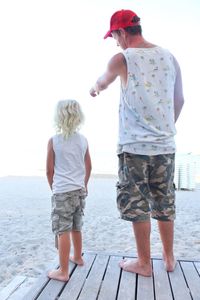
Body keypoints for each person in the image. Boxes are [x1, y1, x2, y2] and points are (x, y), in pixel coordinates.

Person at [89, 9, 184, 277]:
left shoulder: (123, 58)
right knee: (164, 201)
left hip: (134, 149)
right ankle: (168, 257)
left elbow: (103, 82)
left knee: (138, 203)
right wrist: (165, 128)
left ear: (121, 32)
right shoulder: (170, 57)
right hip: (165, 146)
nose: (115, 42)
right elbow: (180, 100)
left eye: (114, 36)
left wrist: (94, 89)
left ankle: (144, 263)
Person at [46, 99, 92, 281]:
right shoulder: (83, 140)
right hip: (79, 190)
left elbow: (49, 170)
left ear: (59, 116)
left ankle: (63, 271)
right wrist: (84, 183)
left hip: (62, 191)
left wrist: (54, 187)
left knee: (62, 229)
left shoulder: (54, 141)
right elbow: (88, 166)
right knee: (76, 226)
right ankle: (78, 257)